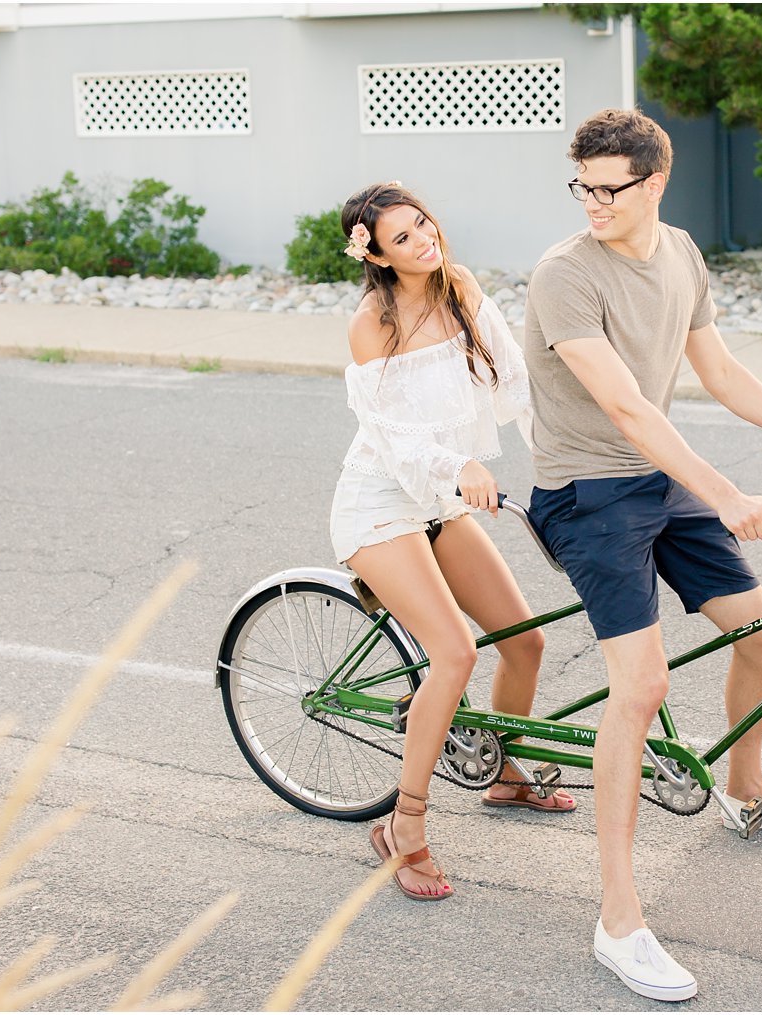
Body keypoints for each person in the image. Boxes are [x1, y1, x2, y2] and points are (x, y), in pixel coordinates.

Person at [522, 110, 762, 1000]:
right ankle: (619, 919)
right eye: (583, 187)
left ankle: (745, 790)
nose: (594, 203)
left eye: (611, 188)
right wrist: (722, 491)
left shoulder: (679, 253)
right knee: (641, 688)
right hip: (586, 492)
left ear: (654, 182)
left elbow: (721, 372)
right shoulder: (565, 275)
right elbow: (629, 407)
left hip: (658, 477)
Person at [331, 181, 575, 903]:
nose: (423, 240)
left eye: (422, 223)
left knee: (523, 638)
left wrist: (569, 457)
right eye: (401, 237)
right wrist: (459, 467)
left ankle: (506, 771)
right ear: (373, 253)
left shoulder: (460, 287)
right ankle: (403, 829)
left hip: (440, 504)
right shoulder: (370, 325)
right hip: (380, 506)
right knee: (455, 652)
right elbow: (395, 439)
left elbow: (518, 384)